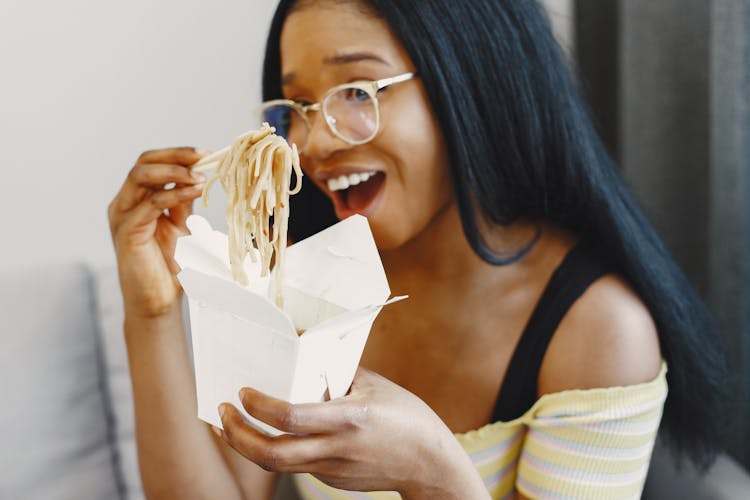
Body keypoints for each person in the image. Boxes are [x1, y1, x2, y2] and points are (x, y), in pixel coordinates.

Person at [108, 0, 729, 498]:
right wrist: (152, 312)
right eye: (298, 105)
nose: (314, 143)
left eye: (358, 91)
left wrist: (431, 471)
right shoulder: (301, 278)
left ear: (474, 82)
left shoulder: (597, 331)